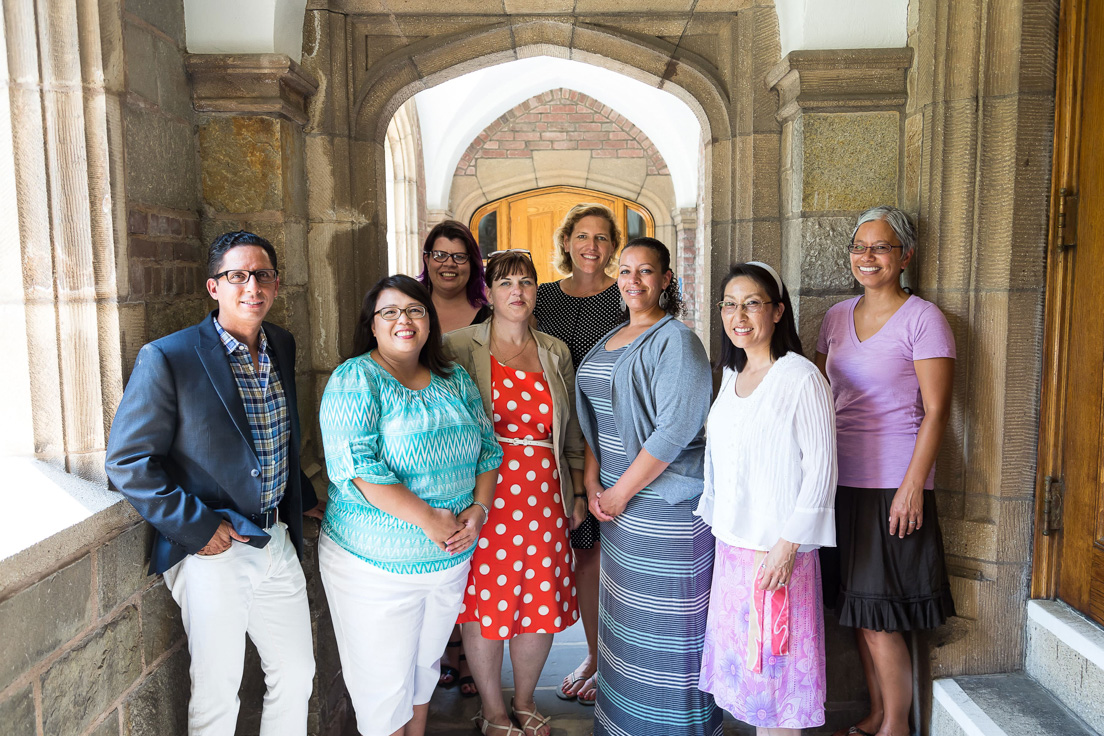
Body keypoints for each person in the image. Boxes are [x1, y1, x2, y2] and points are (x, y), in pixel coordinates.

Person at [105, 231, 320, 735]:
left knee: (297, 673)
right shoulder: (169, 357)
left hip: (276, 539)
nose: (253, 286)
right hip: (214, 549)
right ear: (213, 287)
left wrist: (302, 499)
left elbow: (272, 439)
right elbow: (128, 461)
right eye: (237, 276)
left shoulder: (281, 344)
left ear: (276, 282)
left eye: (262, 275)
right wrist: (198, 528)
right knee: (218, 690)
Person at [317, 275, 502, 736]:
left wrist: (477, 511)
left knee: (422, 674)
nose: (405, 320)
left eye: (416, 310)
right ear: (373, 325)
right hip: (375, 568)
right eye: (390, 312)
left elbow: (487, 451)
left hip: (448, 561)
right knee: (383, 690)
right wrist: (428, 519)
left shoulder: (453, 377)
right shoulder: (355, 378)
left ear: (430, 321)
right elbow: (357, 468)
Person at [815, 206, 956, 736]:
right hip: (840, 482)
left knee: (879, 617)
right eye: (860, 246)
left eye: (881, 247)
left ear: (905, 256)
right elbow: (823, 395)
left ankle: (896, 725)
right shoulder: (834, 317)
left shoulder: (923, 318)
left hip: (892, 482)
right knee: (856, 611)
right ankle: (876, 713)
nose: (867, 257)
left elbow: (938, 411)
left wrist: (912, 487)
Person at [575, 236, 722, 736]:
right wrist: (595, 480)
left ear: (665, 280)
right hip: (617, 513)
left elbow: (676, 428)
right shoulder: (610, 337)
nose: (633, 280)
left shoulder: (677, 340)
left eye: (646, 271)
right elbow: (597, 417)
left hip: (665, 512)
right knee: (627, 630)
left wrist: (620, 492)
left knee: (669, 631)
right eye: (625, 270)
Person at [444, 250, 586, 736]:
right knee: (486, 600)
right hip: (483, 493)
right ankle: (493, 710)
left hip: (545, 490)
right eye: (506, 283)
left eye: (526, 282)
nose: (518, 292)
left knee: (537, 597)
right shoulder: (459, 346)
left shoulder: (555, 351)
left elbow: (570, 431)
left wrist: (577, 492)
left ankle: (524, 701)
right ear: (489, 291)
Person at [696, 262, 837, 735]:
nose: (739, 315)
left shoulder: (799, 377)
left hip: (779, 555)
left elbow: (822, 469)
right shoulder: (731, 377)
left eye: (752, 303)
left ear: (777, 311)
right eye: (730, 305)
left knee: (778, 682)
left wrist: (788, 545)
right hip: (735, 553)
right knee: (752, 682)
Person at [532, 203, 624, 704]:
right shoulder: (541, 297)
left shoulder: (626, 293)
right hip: (554, 440)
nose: (592, 246)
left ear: (613, 246)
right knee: (581, 551)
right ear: (567, 242)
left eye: (602, 238)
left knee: (617, 556)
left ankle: (617, 660)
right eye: (582, 236)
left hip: (616, 438)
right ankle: (594, 653)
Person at [419, 219, 491, 334]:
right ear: (427, 261)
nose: (449, 264)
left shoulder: (491, 320)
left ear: (471, 264)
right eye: (440, 255)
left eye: (459, 257)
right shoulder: (409, 314)